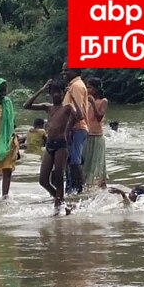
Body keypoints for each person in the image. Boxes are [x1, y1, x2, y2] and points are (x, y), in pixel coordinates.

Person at [23, 79, 81, 211]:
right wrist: (42, 89)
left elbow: (80, 116)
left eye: (59, 92)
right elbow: (27, 105)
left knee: (59, 177)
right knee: (43, 180)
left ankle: (57, 210)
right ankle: (62, 202)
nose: (56, 95)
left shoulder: (67, 107)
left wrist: (72, 97)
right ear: (50, 93)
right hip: (50, 144)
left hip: (61, 145)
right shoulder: (48, 107)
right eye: (54, 92)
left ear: (62, 93)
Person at [61, 62, 89, 194]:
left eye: (66, 70)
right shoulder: (73, 86)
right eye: (63, 70)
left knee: (74, 161)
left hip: (76, 128)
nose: (64, 73)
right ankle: (71, 190)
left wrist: (67, 131)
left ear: (75, 71)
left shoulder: (76, 86)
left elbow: (77, 113)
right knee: (70, 161)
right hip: (73, 128)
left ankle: (80, 191)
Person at [84, 77, 108, 188]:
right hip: (87, 135)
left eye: (89, 87)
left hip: (97, 137)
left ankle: (100, 186)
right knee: (86, 164)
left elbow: (99, 117)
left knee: (98, 165)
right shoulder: (86, 101)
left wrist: (93, 103)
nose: (87, 89)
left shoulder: (103, 101)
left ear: (96, 89)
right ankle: (86, 185)